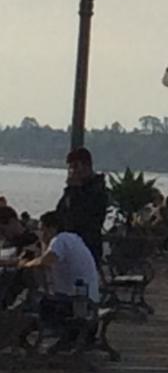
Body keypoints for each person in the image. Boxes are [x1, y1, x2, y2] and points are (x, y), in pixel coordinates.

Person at [19, 211, 100, 347]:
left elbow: (47, 260)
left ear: (52, 228)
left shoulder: (60, 240)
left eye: (42, 230)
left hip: (76, 306)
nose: (41, 235)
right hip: (88, 304)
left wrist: (26, 264)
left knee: (28, 306)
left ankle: (19, 339)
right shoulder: (73, 238)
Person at [55, 147, 108, 264]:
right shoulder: (72, 190)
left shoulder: (97, 190)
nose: (72, 171)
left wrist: (75, 189)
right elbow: (61, 212)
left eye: (75, 167)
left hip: (87, 246)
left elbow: (81, 217)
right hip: (69, 245)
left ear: (86, 166)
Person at [0, 207, 41, 307]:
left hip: (19, 297)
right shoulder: (7, 244)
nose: (2, 234)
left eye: (2, 230)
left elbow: (24, 262)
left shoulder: (31, 239)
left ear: (13, 221)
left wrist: (4, 262)